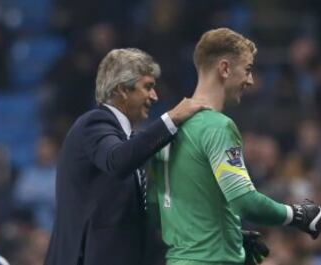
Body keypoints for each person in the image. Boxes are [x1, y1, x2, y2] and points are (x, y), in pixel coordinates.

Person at [151, 28, 321, 265]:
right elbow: (244, 201)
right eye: (248, 70)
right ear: (224, 68)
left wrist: (229, 234)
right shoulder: (217, 127)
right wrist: (296, 214)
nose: (250, 81)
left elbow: (161, 207)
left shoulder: (168, 127)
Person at [44, 48, 210, 265]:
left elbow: (138, 222)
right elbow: (118, 160)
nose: (154, 96)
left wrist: (215, 240)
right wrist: (172, 118)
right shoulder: (93, 124)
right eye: (148, 87)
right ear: (122, 89)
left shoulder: (130, 141)